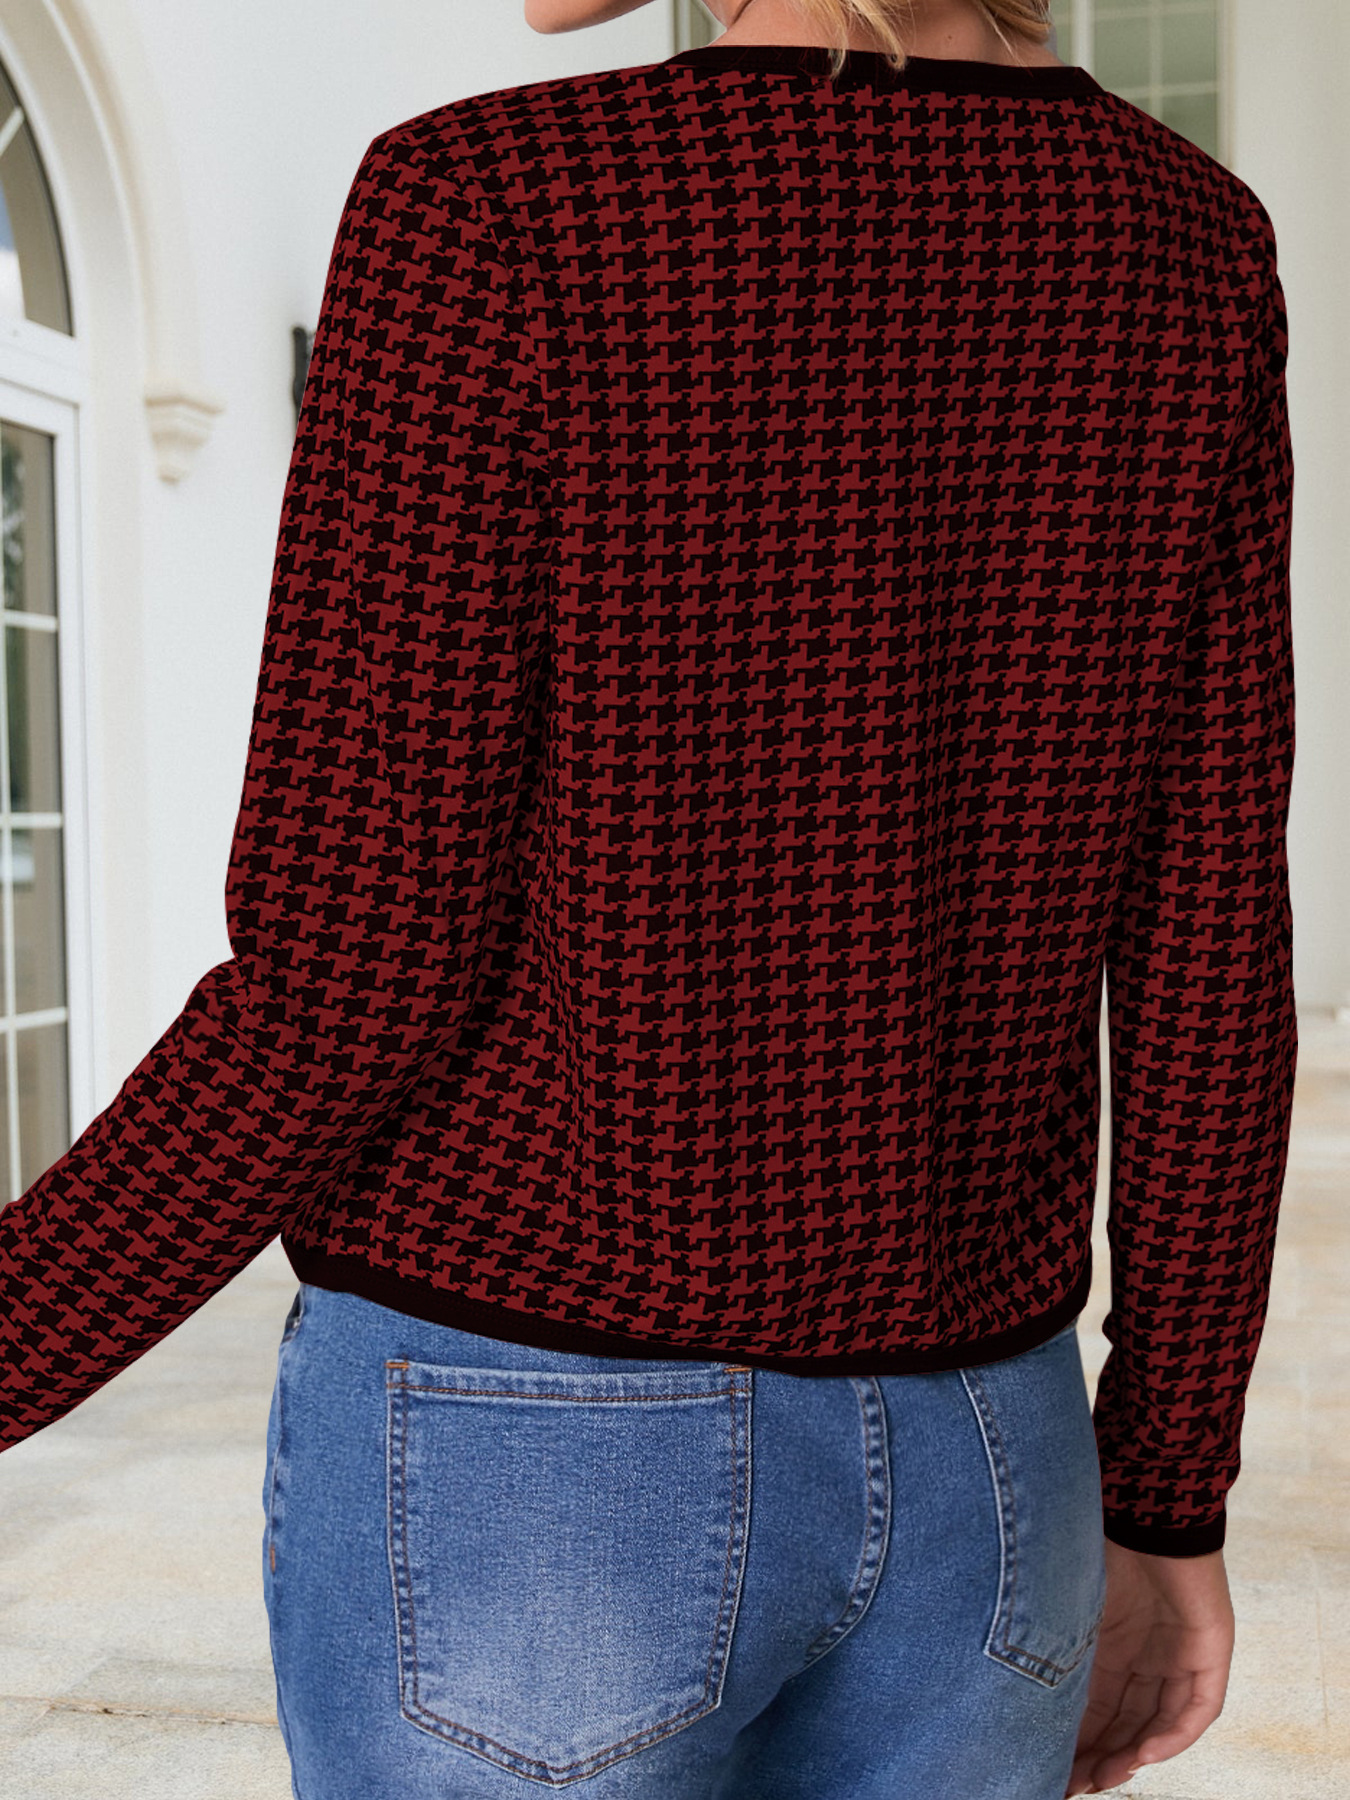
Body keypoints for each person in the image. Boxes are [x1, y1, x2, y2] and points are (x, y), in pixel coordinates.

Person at [0, 0, 1295, 1794]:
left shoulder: (495, 200)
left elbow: (355, 964)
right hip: (982, 1452)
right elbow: (1207, 945)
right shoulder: (1188, 246)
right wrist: (1163, 1492)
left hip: (526, 1437)